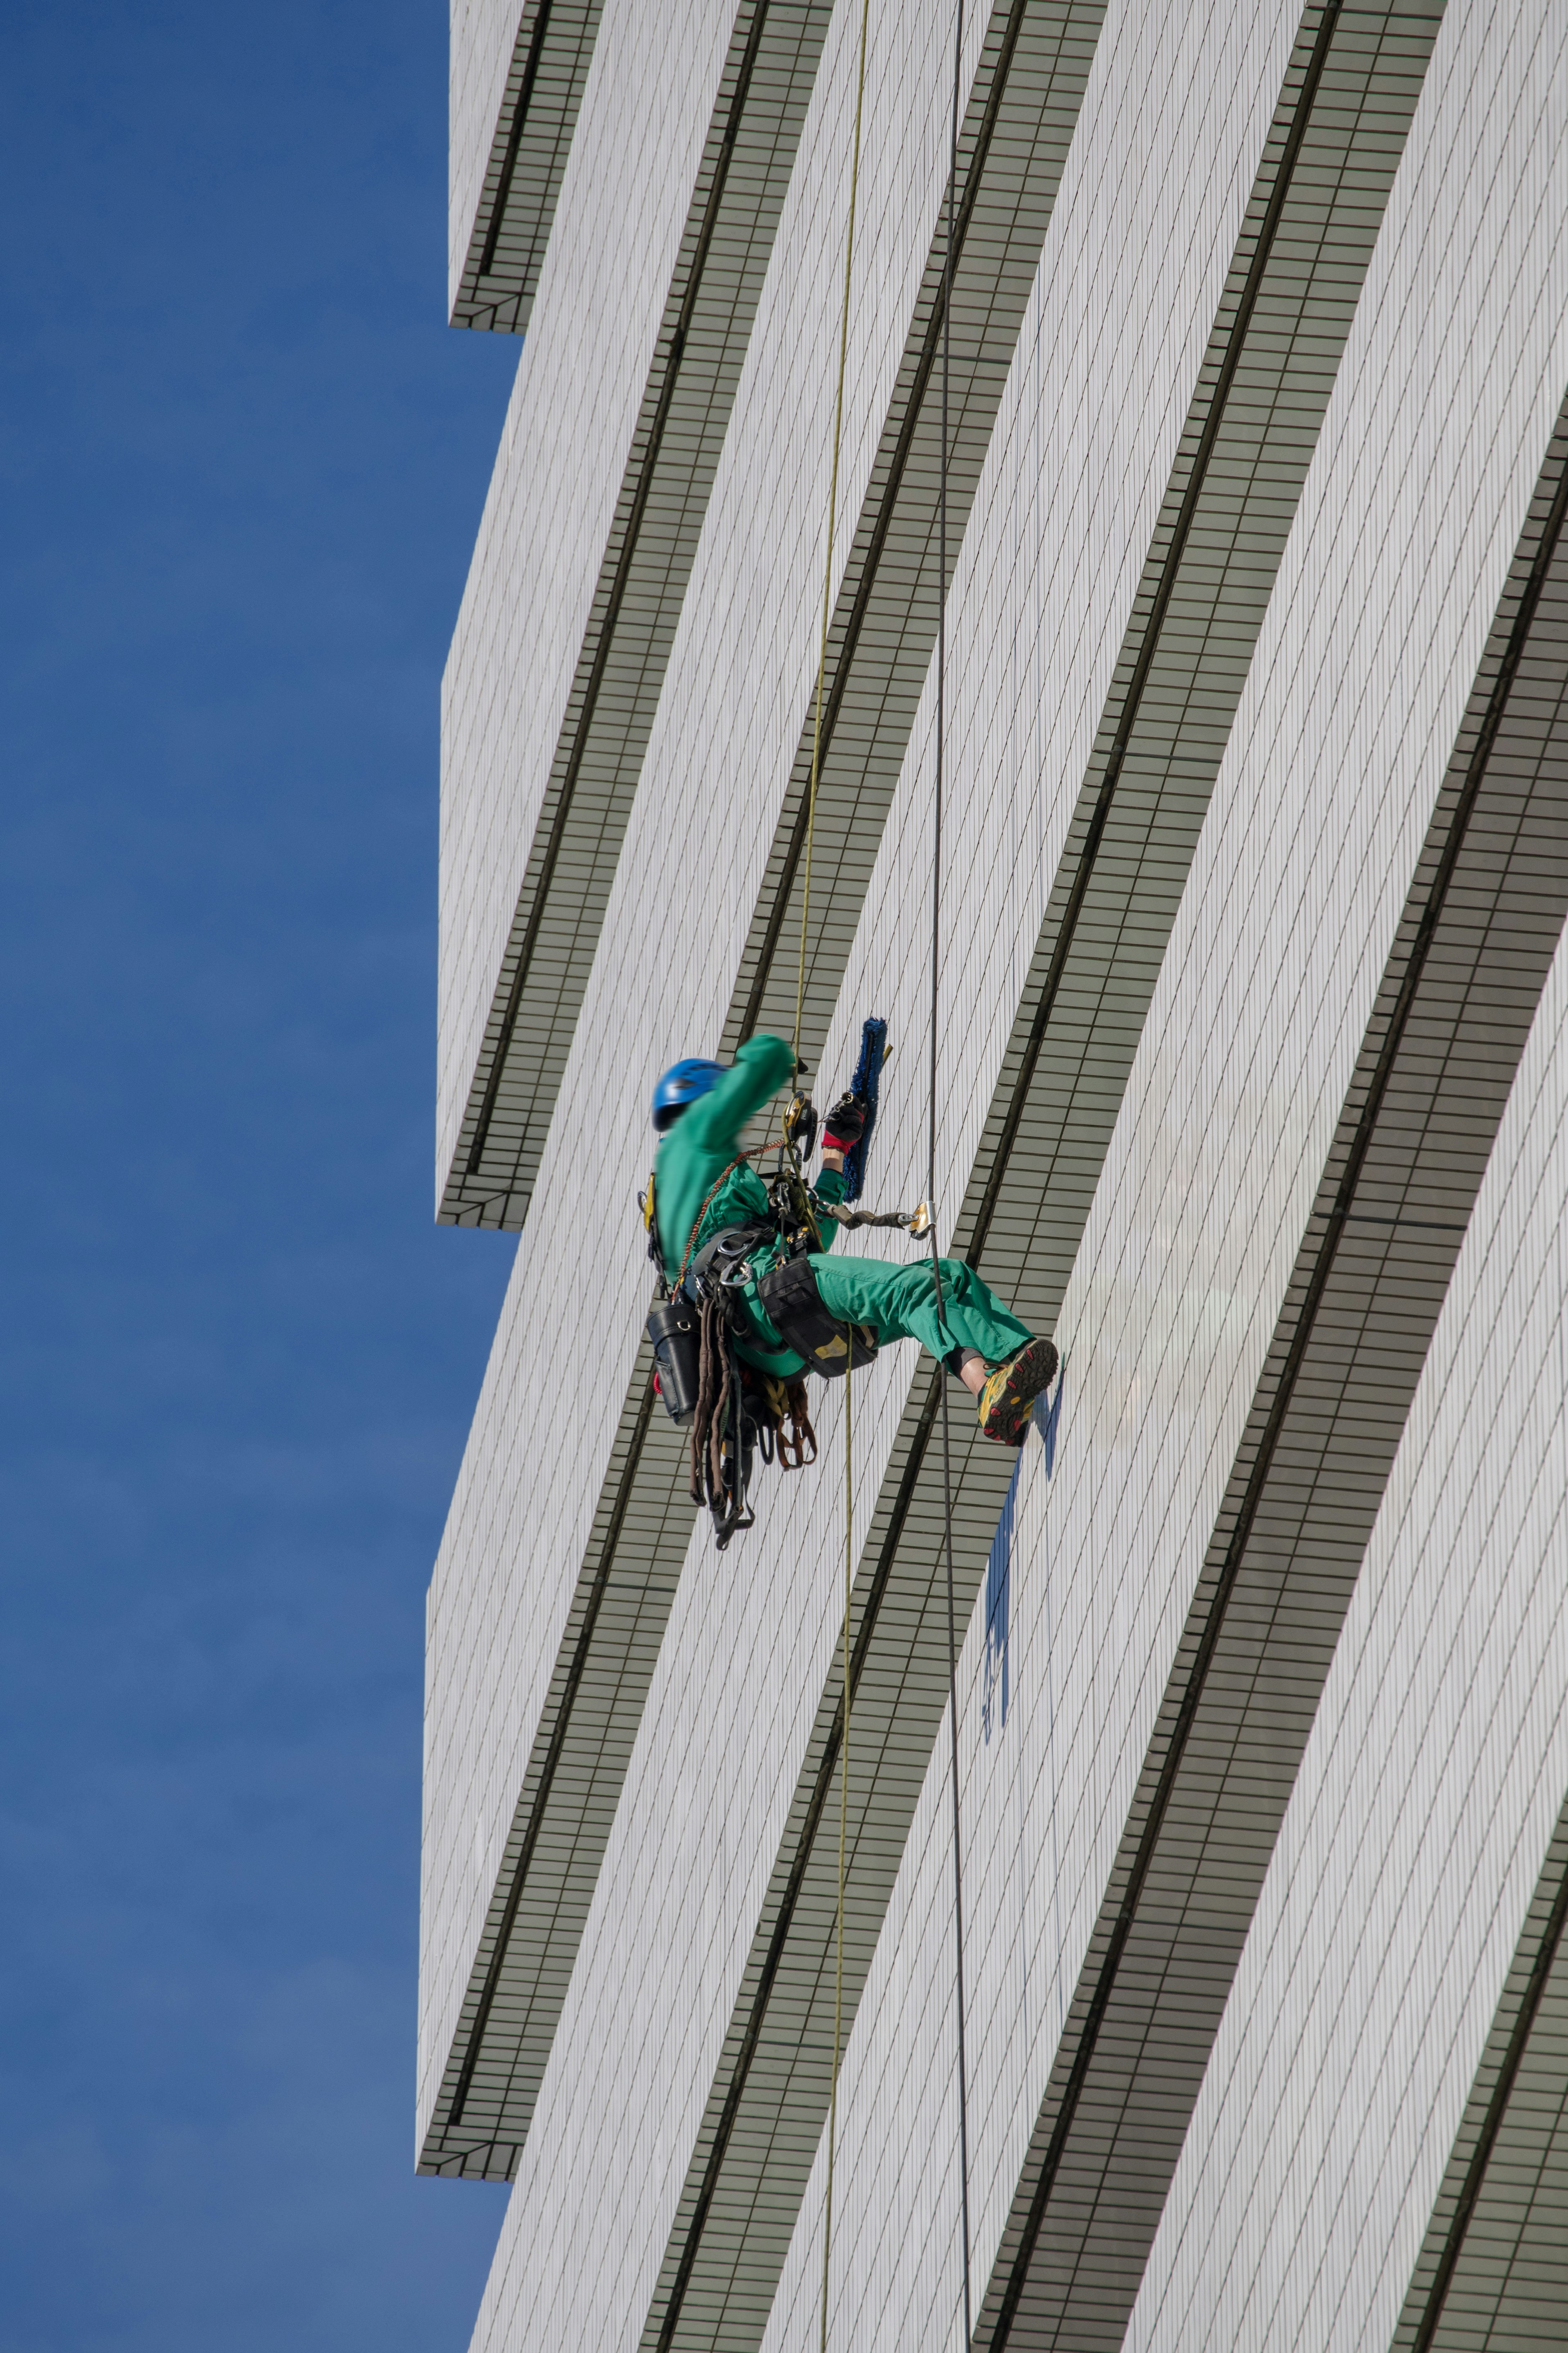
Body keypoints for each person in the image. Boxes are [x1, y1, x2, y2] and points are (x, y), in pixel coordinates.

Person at [650, 1031, 1056, 1444]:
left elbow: (810, 1238)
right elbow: (759, 1069)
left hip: (777, 1338)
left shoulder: (704, 1200)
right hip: (762, 1296)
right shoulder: (686, 1144)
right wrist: (773, 1055)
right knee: (913, 1291)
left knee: (946, 1280)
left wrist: (835, 1150)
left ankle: (1010, 1376)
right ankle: (987, 1389)